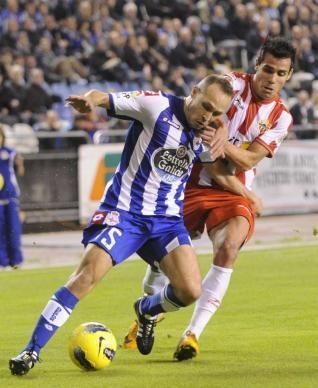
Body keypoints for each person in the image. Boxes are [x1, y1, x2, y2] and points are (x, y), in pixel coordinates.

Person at [9, 74, 237, 376]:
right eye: (205, 107)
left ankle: (146, 310)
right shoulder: (157, 106)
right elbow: (106, 96)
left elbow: (224, 167)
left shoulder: (206, 131)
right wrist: (90, 99)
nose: (208, 116)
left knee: (191, 291)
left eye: (217, 113)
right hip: (125, 213)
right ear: (193, 92)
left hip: (167, 222)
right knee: (84, 278)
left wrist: (224, 138)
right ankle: (31, 350)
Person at [123, 37, 296, 361]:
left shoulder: (281, 118)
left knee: (229, 247)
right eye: (268, 69)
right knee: (163, 259)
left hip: (230, 191)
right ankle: (146, 312)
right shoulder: (230, 84)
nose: (272, 79)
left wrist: (221, 141)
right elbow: (202, 110)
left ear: (288, 77)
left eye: (281, 73)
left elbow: (247, 161)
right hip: (188, 184)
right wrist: (218, 133)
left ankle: (192, 334)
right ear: (256, 65)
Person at [0, 126, 24, 269]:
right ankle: (2, 262)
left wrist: (20, 164)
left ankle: (16, 261)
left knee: (14, 230)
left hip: (10, 197)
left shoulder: (9, 153)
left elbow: (20, 171)